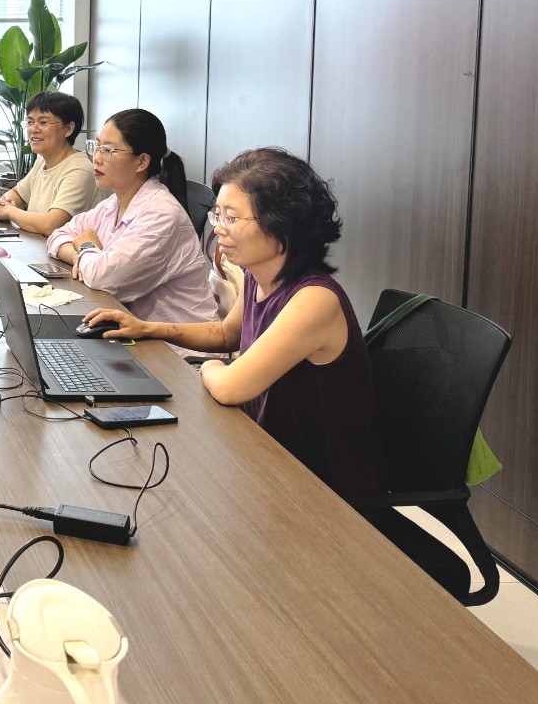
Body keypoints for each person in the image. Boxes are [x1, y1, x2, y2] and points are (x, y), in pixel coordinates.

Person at [80, 147, 379, 499]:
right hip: (264, 452)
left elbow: (229, 388)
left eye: (233, 219)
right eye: (218, 215)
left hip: (319, 487)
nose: (219, 229)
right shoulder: (259, 275)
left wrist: (209, 367)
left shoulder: (314, 300)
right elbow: (225, 334)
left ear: (282, 223)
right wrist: (146, 328)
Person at [47, 109, 216, 327]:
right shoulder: (114, 203)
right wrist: (81, 257)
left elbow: (103, 278)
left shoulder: (162, 215)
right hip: (129, 328)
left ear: (141, 161)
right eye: (96, 147)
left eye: (108, 150)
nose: (96, 158)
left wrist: (87, 246)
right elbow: (58, 236)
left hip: (174, 344)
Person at [0, 91, 99, 236]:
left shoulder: (80, 170)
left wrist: (9, 211)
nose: (33, 129)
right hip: (37, 245)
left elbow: (50, 225)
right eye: (30, 122)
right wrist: (2, 205)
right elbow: (18, 193)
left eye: (43, 122)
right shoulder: (42, 160)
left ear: (68, 129)